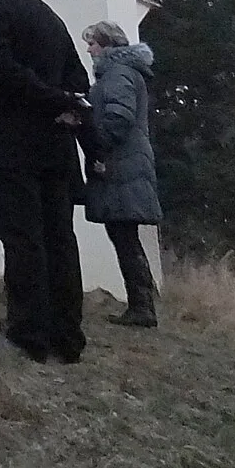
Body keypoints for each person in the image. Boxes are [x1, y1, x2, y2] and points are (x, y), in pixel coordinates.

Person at [0, 0, 91, 364]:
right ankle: (67, 337)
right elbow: (79, 77)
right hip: (55, 148)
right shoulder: (49, 15)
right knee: (59, 240)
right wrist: (63, 105)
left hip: (9, 146)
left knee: (21, 240)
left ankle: (28, 335)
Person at [79, 20, 163, 329]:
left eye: (94, 43)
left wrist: (97, 146)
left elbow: (118, 118)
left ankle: (142, 307)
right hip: (125, 164)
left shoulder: (117, 75)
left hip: (120, 166)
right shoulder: (123, 74)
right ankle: (143, 303)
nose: (89, 49)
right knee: (124, 237)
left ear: (108, 46)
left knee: (124, 238)